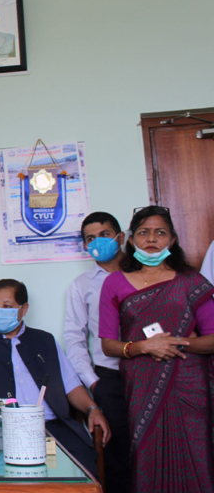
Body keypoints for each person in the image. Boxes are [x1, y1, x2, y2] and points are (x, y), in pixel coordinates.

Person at [99, 206, 214, 493]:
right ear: (132, 240)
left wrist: (175, 342)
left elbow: (212, 338)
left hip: (190, 385)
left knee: (196, 458)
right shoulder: (114, 282)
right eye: (143, 232)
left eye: (160, 232)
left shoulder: (191, 281)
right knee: (147, 456)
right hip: (142, 384)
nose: (152, 238)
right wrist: (144, 346)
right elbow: (108, 345)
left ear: (172, 240)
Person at [0, 279, 110, 476]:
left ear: (24, 309)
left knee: (75, 467)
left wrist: (93, 408)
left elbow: (71, 386)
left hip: (51, 429)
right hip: (4, 431)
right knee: (4, 474)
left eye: (7, 306)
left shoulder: (45, 341)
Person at [63, 212, 130, 493]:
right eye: (91, 238)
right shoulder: (82, 285)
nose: (98, 242)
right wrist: (93, 383)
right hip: (109, 379)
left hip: (151, 371)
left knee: (157, 446)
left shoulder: (143, 274)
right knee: (117, 456)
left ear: (120, 237)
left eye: (104, 235)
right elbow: (74, 339)